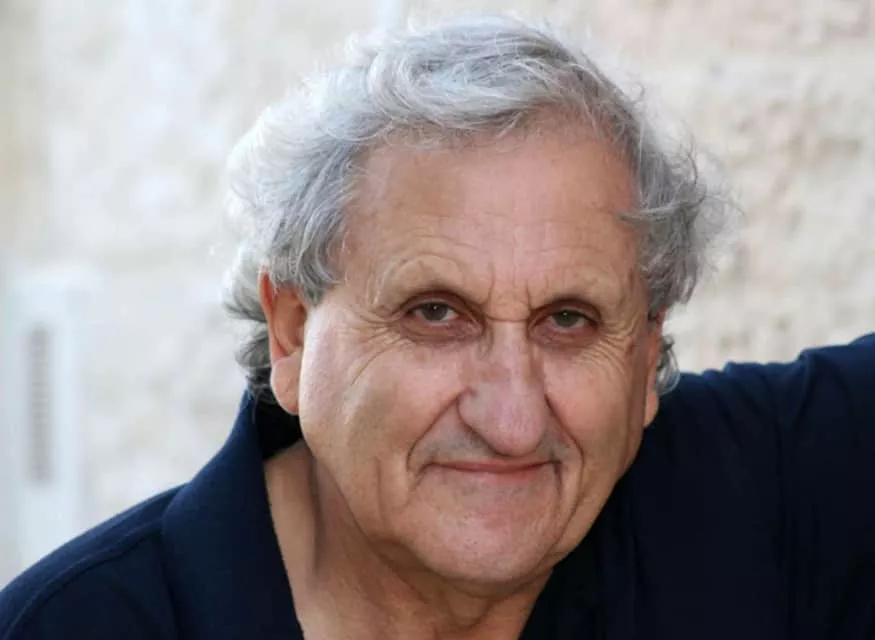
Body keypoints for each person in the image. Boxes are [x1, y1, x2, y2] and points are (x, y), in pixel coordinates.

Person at [1, 15, 873, 640]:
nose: (512, 419)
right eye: (435, 315)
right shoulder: (76, 624)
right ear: (292, 334)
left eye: (568, 321)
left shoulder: (760, 500)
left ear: (646, 357)